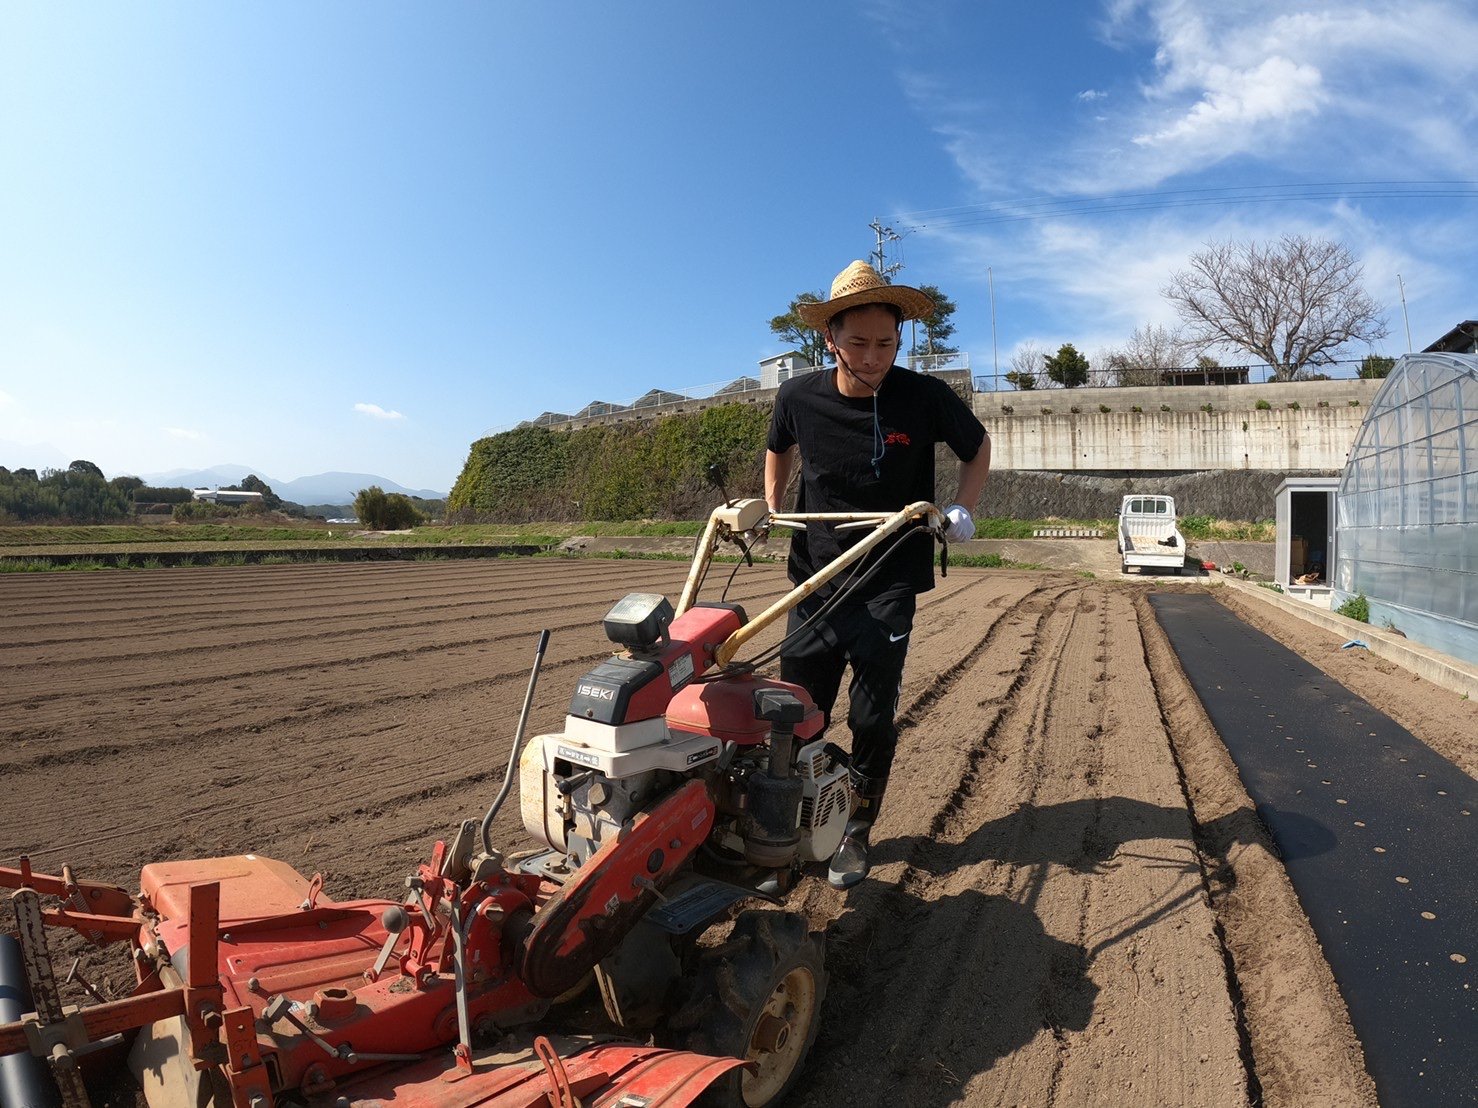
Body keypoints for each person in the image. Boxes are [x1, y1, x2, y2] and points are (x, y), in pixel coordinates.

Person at [765, 260, 991, 888]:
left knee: (869, 717)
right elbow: (778, 448)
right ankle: (787, 835)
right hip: (815, 579)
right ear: (830, 339)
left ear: (901, 340)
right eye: (858, 343)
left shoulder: (925, 397)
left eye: (886, 343)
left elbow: (978, 449)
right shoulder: (797, 396)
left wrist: (962, 508)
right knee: (794, 716)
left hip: (890, 580)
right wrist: (773, 506)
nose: (873, 356)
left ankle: (857, 831)